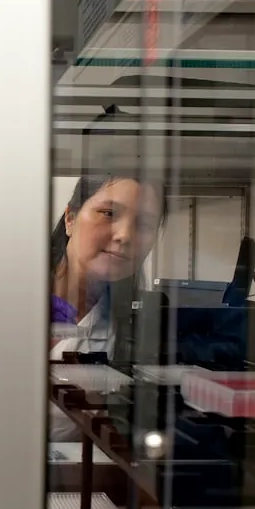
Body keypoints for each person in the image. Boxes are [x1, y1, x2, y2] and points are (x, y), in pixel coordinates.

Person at [48, 174, 165, 441]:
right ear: (70, 219)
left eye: (144, 224)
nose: (124, 235)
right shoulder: (6, 298)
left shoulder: (133, 332)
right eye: (109, 213)